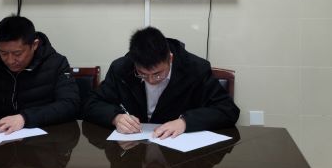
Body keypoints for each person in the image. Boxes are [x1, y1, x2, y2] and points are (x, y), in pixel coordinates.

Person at [83, 26, 239, 138]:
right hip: (134, 149)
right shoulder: (121, 68)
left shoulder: (195, 69)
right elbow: (91, 104)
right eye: (143, 74)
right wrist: (115, 117)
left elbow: (228, 110)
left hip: (179, 154)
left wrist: (185, 122)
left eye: (158, 74)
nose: (151, 80)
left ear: (170, 58)